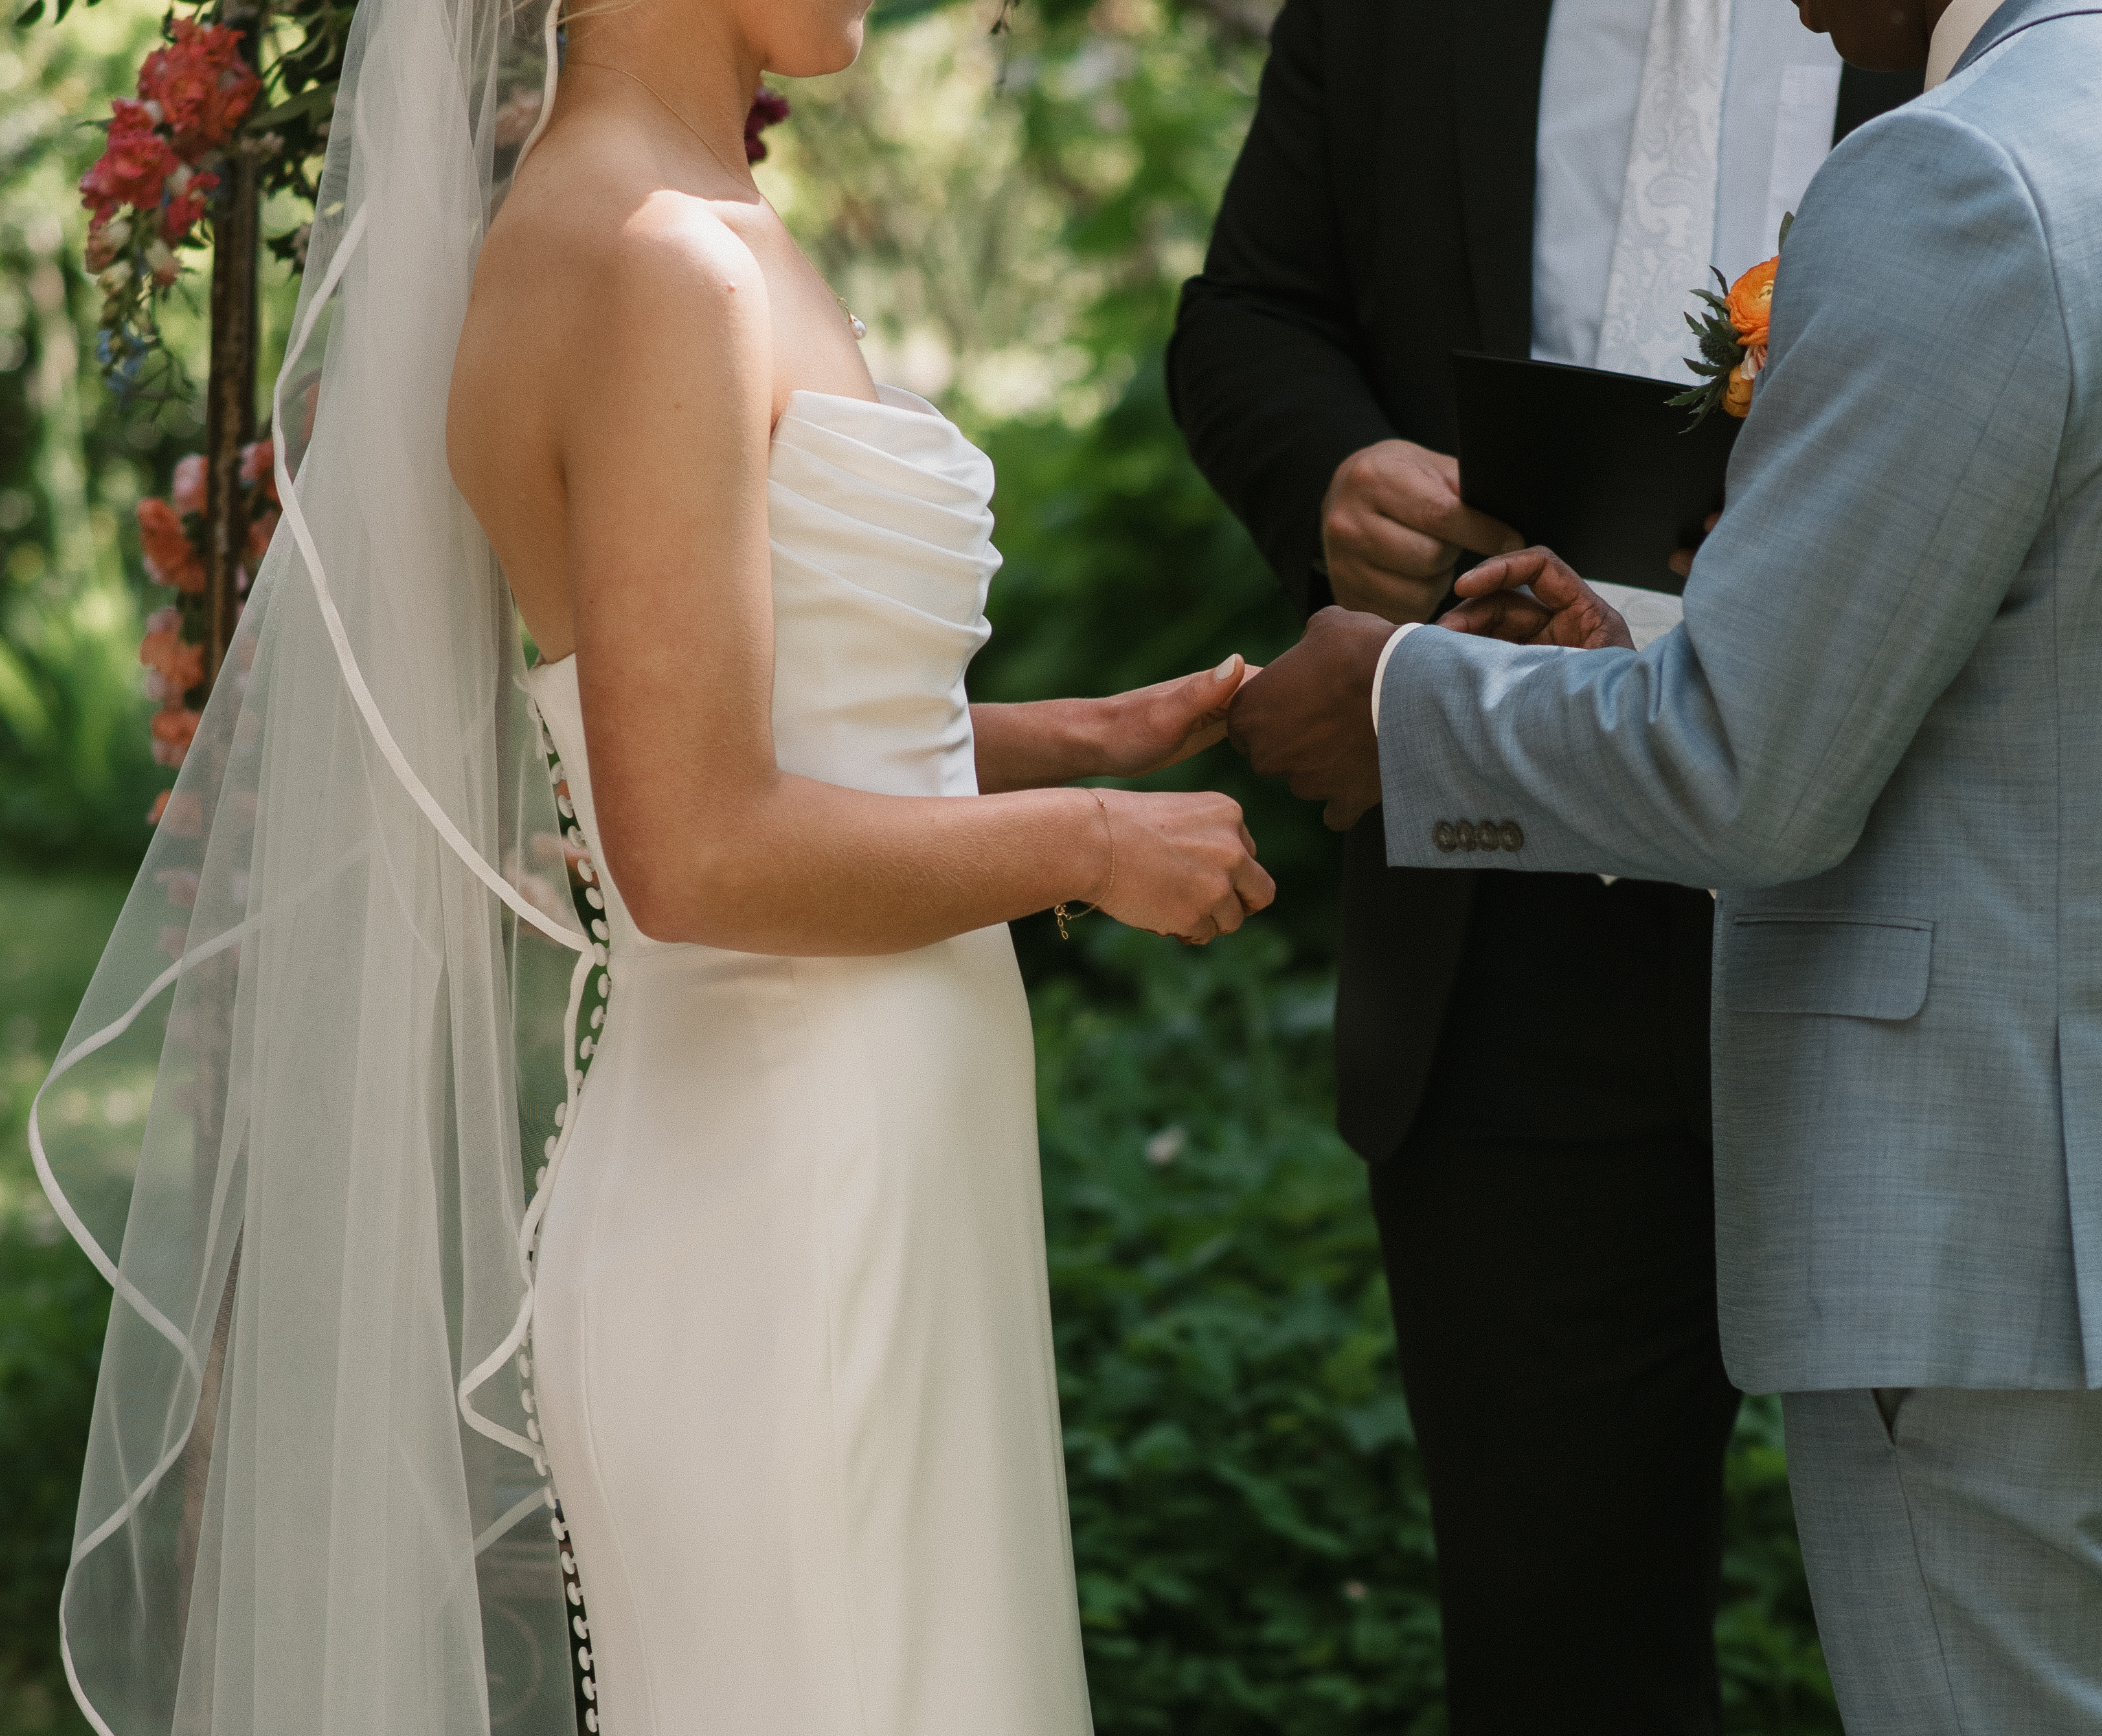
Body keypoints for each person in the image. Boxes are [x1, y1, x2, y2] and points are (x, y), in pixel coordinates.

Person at [32, 0, 1269, 1728]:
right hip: (782, 1191)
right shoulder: (647, 257)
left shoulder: (676, 217)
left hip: (860, 1176)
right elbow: (687, 845)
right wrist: (1083, 847)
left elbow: (751, 738)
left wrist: (1085, 741)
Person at [1223, 0, 2102, 1730]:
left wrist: (1409, 703)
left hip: (1990, 1247)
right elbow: (2084, 682)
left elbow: (1749, 779)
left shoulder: (1954, 174)